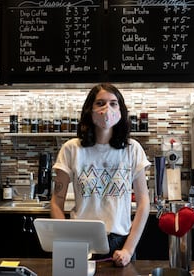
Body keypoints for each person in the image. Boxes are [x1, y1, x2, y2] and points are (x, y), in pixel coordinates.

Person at [50, 83, 151, 267]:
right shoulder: (72, 149)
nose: (107, 109)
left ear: (121, 110)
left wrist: (128, 249)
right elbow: (57, 201)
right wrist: (67, 242)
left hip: (121, 243)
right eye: (100, 103)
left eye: (113, 103)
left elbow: (144, 203)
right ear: (90, 109)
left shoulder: (132, 149)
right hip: (80, 240)